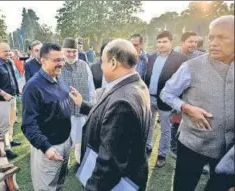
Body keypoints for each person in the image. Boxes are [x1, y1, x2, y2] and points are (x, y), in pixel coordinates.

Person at [160, 15, 234, 191]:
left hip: (229, 150)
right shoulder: (192, 66)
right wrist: (186, 107)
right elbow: (167, 93)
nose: (213, 43)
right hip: (192, 143)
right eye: (211, 37)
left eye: (222, 37)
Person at [69, 39, 151, 191]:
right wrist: (83, 104)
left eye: (102, 62)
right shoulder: (135, 83)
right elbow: (108, 117)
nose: (100, 66)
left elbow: (109, 166)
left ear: (113, 62)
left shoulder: (122, 103)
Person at [22, 43, 72, 191]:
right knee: (46, 188)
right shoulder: (32, 87)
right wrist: (46, 148)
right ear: (43, 61)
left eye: (62, 59)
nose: (61, 64)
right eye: (56, 60)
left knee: (59, 184)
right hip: (48, 149)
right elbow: (28, 124)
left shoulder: (58, 77)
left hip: (65, 142)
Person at [144, 31, 187, 168]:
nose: (161, 45)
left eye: (164, 42)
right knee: (148, 125)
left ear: (171, 42)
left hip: (166, 100)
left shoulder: (180, 59)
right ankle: (147, 146)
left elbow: (182, 83)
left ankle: (162, 154)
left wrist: (176, 103)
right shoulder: (151, 57)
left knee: (165, 129)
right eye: (159, 42)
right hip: (149, 98)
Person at [60, 37, 95, 168]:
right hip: (64, 112)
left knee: (80, 140)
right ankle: (64, 163)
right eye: (68, 51)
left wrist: (89, 104)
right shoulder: (58, 66)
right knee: (64, 141)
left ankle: (79, 163)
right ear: (63, 51)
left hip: (81, 112)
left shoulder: (84, 65)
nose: (71, 54)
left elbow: (91, 87)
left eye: (74, 51)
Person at [0, 42, 21, 159]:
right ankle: (6, 149)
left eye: (8, 50)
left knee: (11, 122)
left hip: (12, 97)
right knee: (4, 125)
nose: (7, 53)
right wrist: (3, 94)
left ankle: (9, 141)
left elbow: (13, 78)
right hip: (1, 100)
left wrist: (17, 90)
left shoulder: (9, 62)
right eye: (4, 51)